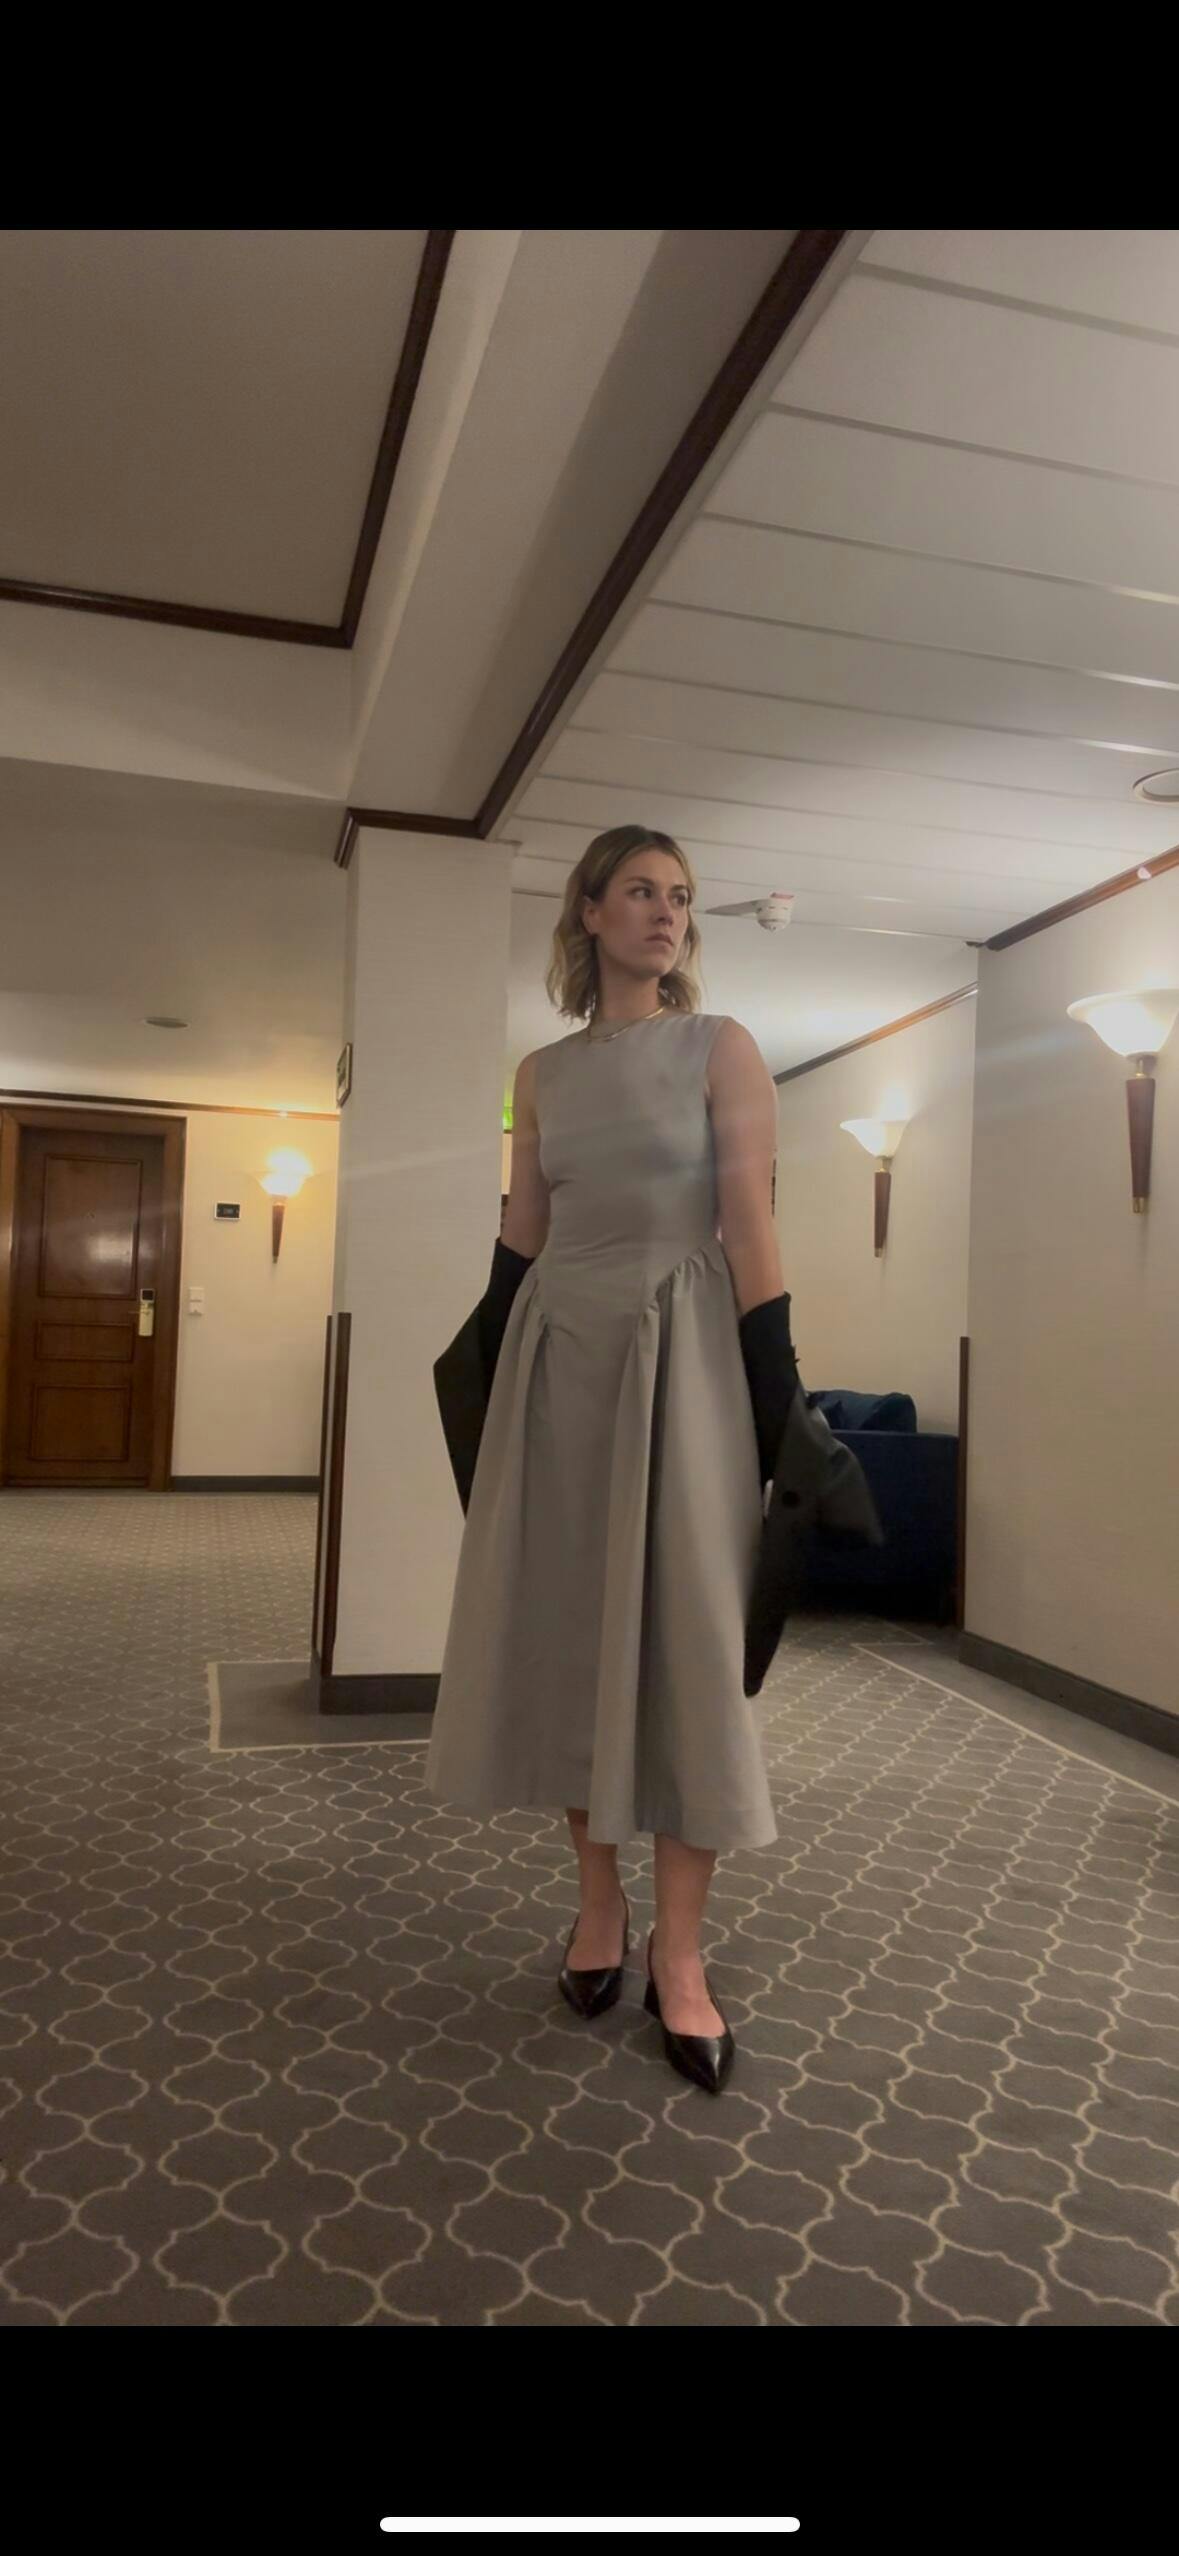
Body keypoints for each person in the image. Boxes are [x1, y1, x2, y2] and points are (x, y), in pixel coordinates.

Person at [424, 824, 797, 2094]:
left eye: (680, 896)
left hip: (685, 1352)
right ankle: (599, 1906)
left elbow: (749, 1228)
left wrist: (782, 1403)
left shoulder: (721, 1047)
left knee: (689, 1646)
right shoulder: (540, 1074)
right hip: (557, 1357)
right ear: (588, 911)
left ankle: (679, 1953)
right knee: (572, 1638)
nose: (665, 912)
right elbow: (525, 1229)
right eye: (640, 891)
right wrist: (478, 1374)